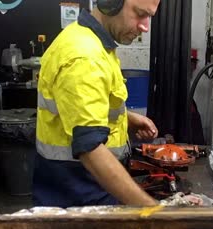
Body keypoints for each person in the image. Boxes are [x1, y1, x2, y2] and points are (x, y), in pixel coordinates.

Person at [33, 0, 161, 208]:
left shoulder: (91, 41)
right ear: (111, 3)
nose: (145, 26)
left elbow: (78, 109)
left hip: (84, 185)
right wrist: (152, 211)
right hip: (78, 194)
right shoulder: (85, 57)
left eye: (149, 17)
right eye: (139, 14)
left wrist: (126, 118)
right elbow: (90, 148)